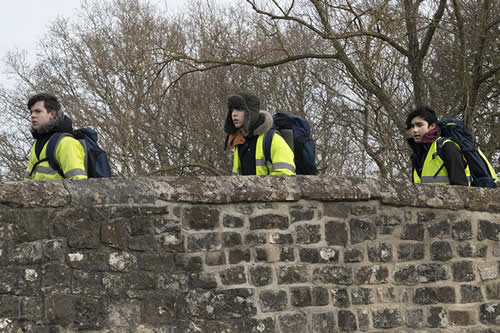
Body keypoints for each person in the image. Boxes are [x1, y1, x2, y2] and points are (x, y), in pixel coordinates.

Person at [224, 92, 296, 175]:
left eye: (239, 109)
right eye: (232, 110)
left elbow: (285, 175)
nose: (234, 114)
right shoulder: (239, 142)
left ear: (250, 112)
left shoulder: (272, 139)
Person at [24, 93, 87, 181]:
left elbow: (79, 183)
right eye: (31, 112)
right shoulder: (36, 144)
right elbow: (27, 183)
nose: (32, 115)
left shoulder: (66, 142)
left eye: (38, 111)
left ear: (52, 114)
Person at [406, 106, 469, 185]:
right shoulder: (417, 156)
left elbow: (461, 186)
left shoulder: (447, 146)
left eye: (419, 125)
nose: (415, 130)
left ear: (432, 126)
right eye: (412, 126)